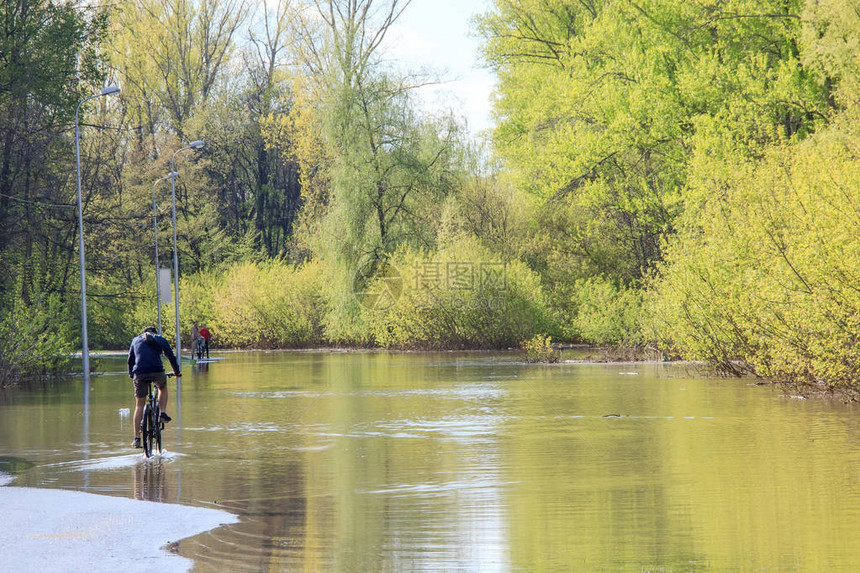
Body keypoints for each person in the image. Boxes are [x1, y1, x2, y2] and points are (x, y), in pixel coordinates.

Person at [127, 326, 181, 449]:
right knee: (162, 386)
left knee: (139, 405)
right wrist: (176, 372)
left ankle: (136, 439)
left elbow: (130, 360)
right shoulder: (160, 339)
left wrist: (132, 375)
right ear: (155, 333)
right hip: (157, 371)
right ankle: (162, 413)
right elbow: (170, 356)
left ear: (144, 332)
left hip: (139, 373)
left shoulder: (135, 340)